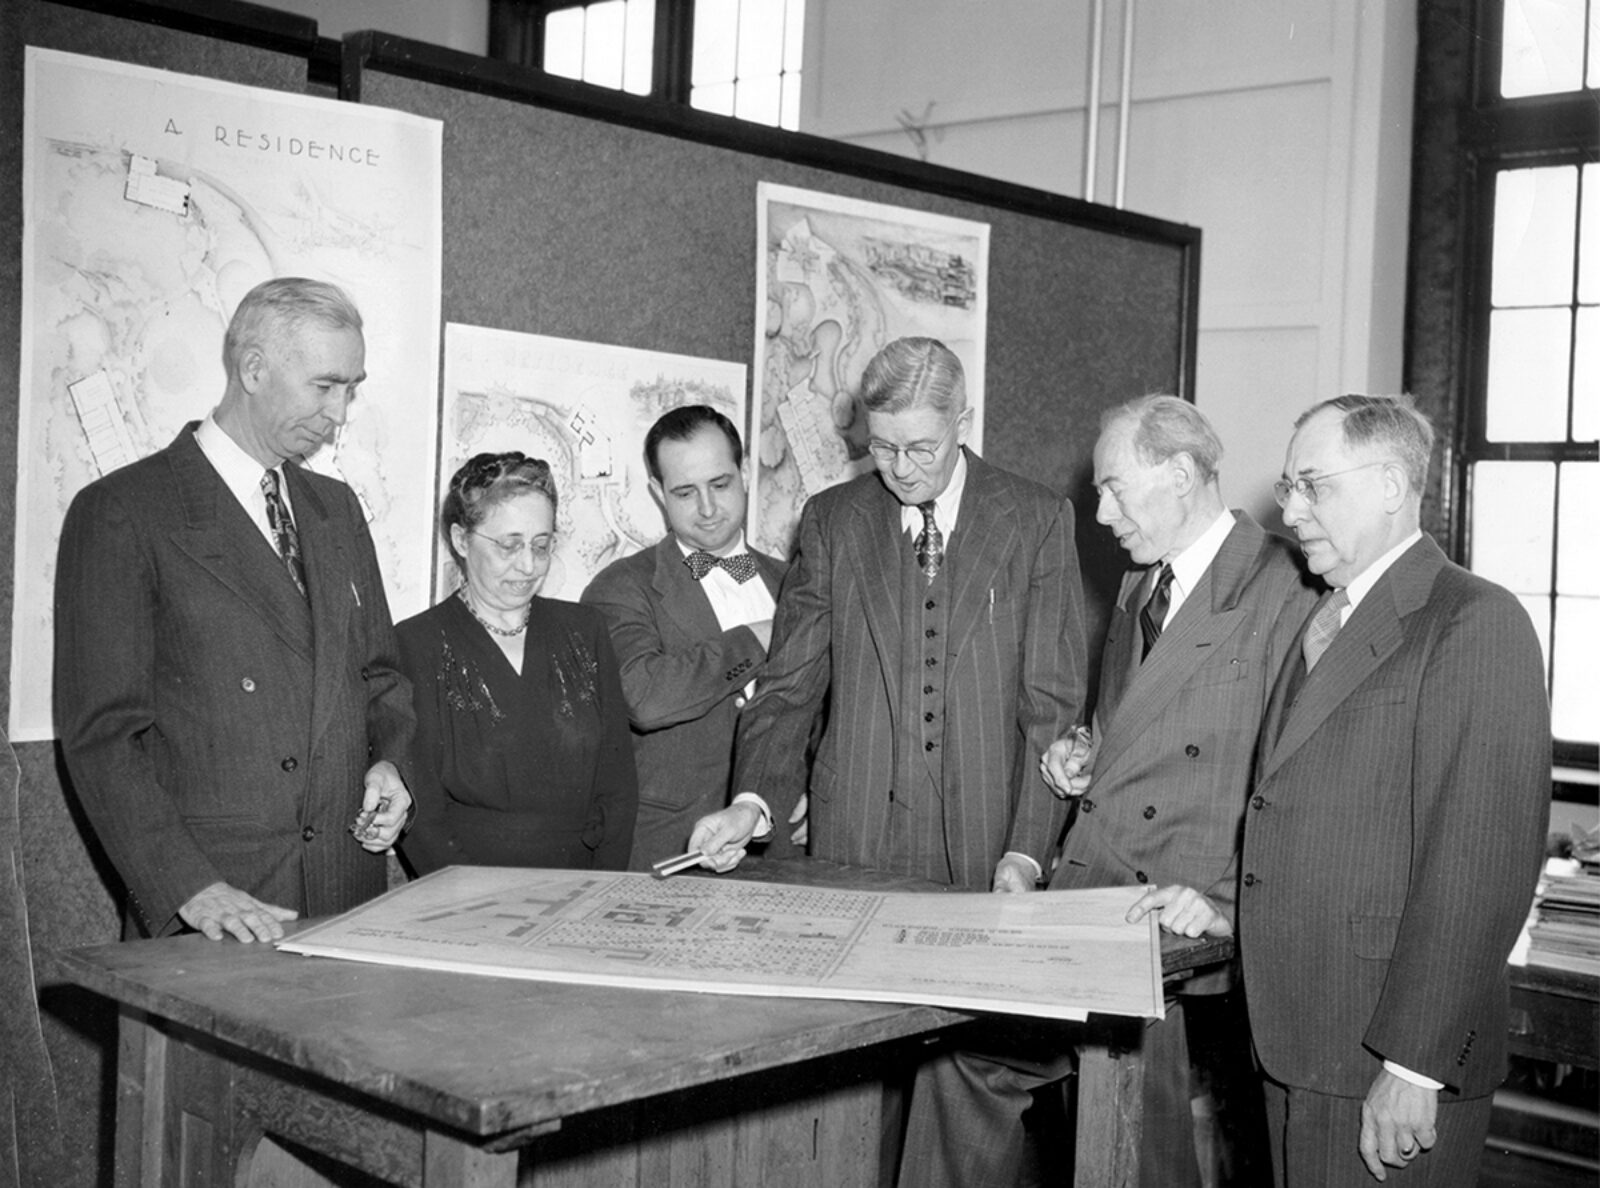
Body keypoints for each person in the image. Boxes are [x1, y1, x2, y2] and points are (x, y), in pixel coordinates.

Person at [898, 395, 1319, 1188]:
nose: (1100, 510)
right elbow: (1136, 724)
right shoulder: (1138, 588)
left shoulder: (1285, 588)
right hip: (1097, 890)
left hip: (1183, 916)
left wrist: (1227, 899)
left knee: (1129, 1127)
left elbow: (1297, 784)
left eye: (1116, 487)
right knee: (964, 1061)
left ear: (1185, 474)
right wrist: (1083, 753)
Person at [1242, 394, 1548, 1186]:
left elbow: (1480, 863)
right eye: (1288, 488)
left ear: (1389, 484)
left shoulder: (1474, 621)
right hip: (1297, 1041)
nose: (1293, 509)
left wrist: (1414, 1066)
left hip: (1387, 1059)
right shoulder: (1325, 618)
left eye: (1314, 485)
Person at [54, 277, 415, 943]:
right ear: (253, 368)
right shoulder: (126, 511)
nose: (340, 413)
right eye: (325, 386)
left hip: (343, 895)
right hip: (221, 907)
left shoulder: (337, 509)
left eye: (351, 389)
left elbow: (381, 677)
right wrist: (187, 887)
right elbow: (104, 736)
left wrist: (391, 765)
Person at [690, 336, 1086, 892]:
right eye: (882, 448)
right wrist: (750, 803)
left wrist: (1026, 851)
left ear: (963, 423)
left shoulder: (1035, 520)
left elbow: (1051, 706)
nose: (900, 469)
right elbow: (789, 687)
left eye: (922, 448)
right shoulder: (834, 520)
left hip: (989, 839)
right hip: (855, 833)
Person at [396, 453, 637, 875]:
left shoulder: (585, 631)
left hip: (580, 884)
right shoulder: (417, 644)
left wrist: (602, 887)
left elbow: (617, 789)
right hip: (464, 892)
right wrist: (472, 903)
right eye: (509, 546)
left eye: (541, 546)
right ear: (460, 539)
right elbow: (423, 811)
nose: (528, 566)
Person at [580, 406, 786, 871]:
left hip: (780, 850)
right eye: (686, 492)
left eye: (720, 484)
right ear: (658, 493)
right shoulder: (619, 588)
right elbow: (646, 698)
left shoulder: (795, 584)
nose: (708, 508)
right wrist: (757, 638)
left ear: (746, 473)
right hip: (670, 853)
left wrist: (802, 789)